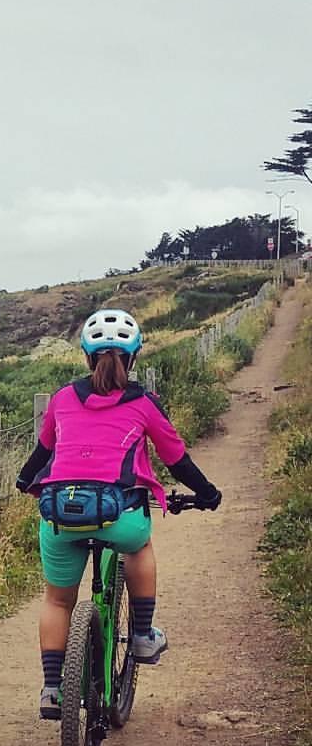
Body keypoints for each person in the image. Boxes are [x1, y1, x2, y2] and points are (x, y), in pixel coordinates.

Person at [16, 308, 222, 720]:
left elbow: (42, 454)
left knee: (58, 600)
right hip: (119, 514)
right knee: (139, 545)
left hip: (60, 515)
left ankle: (53, 688)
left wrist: (24, 482)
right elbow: (176, 459)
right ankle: (143, 636)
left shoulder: (61, 398)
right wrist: (207, 493)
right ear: (133, 357)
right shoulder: (144, 402)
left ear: (87, 357)